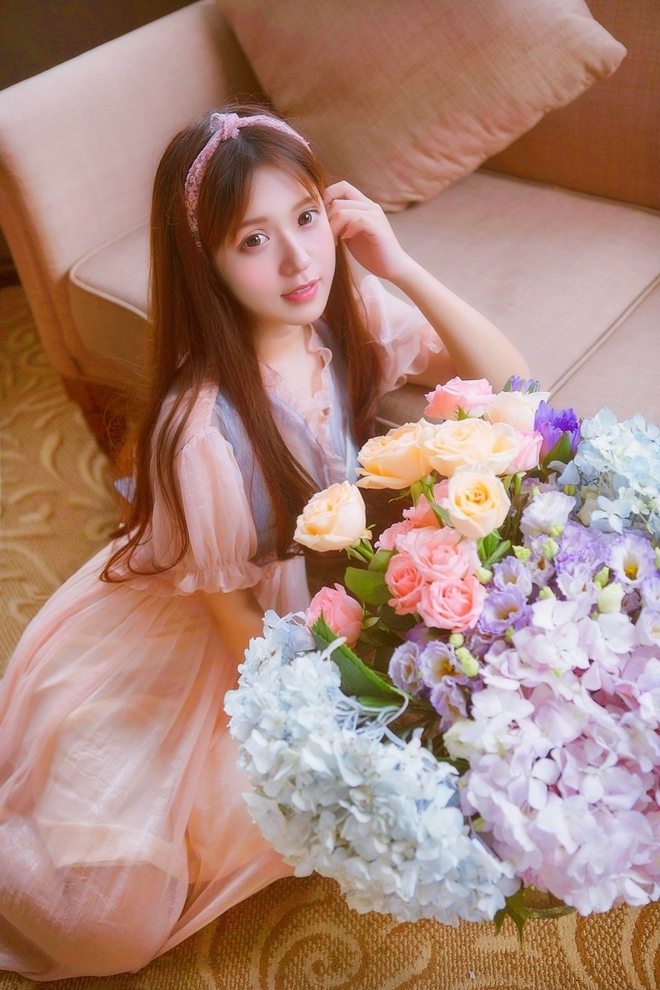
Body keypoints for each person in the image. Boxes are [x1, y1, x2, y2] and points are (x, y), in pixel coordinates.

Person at [0, 105, 529, 980]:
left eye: (307, 217)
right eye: (254, 239)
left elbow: (513, 382)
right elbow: (230, 618)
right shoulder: (198, 428)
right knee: (106, 925)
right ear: (204, 261)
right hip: (210, 637)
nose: (298, 261)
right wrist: (330, 718)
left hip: (304, 604)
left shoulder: (348, 319)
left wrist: (398, 263)